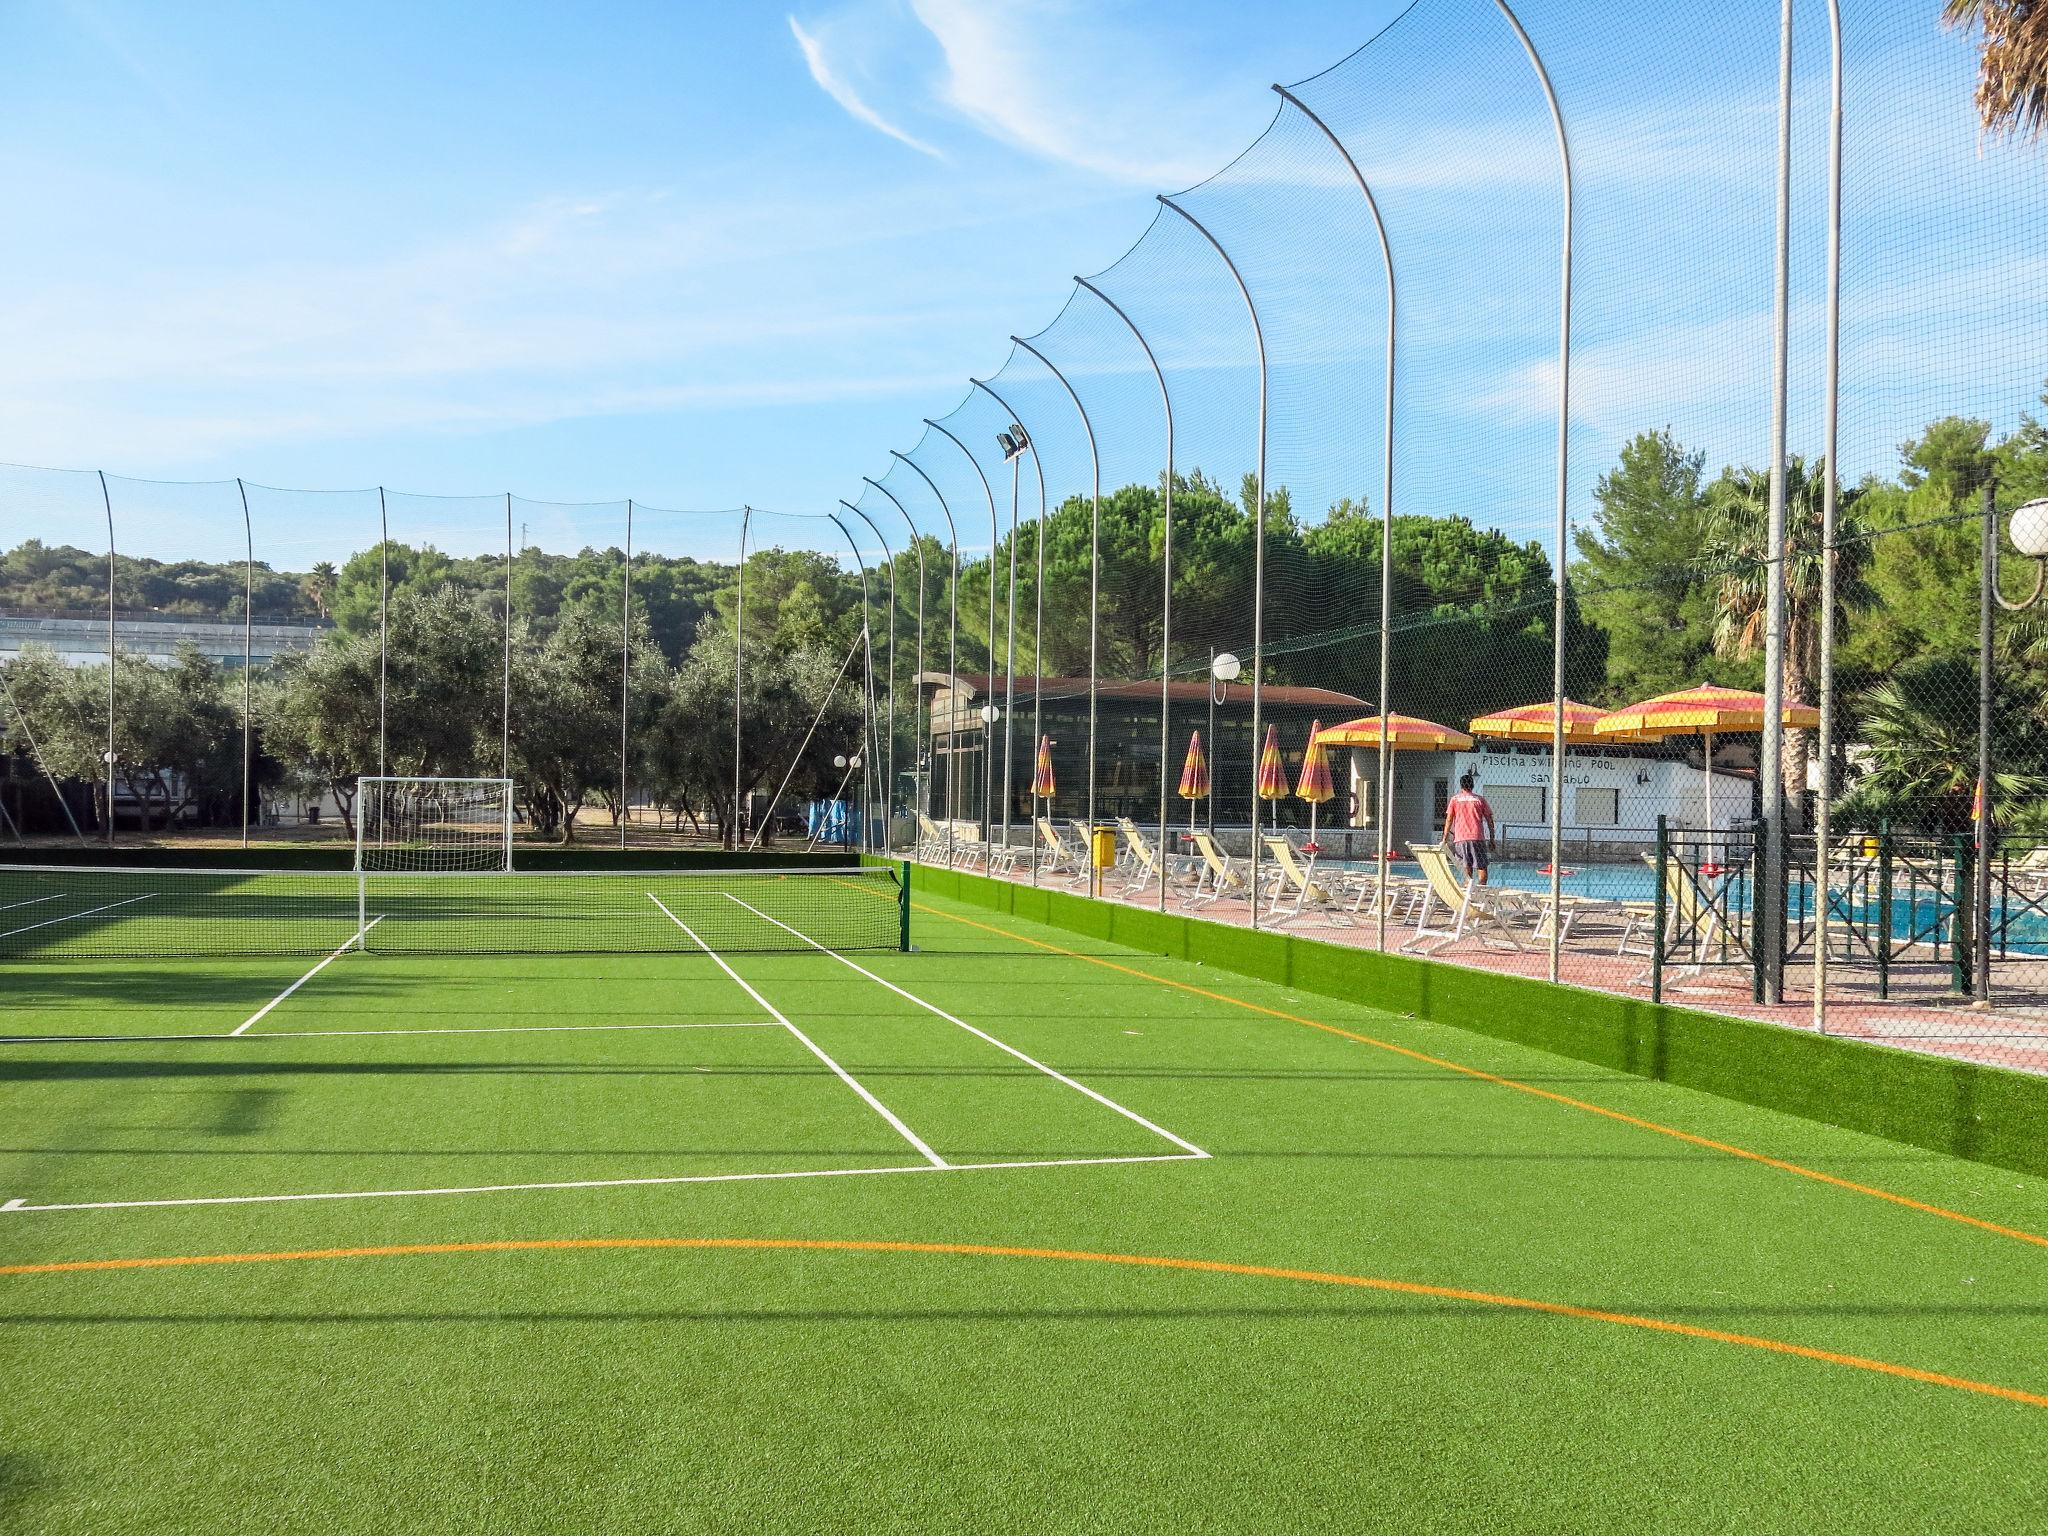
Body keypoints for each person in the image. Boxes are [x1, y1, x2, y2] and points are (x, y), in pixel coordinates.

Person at [1443, 772, 1496, 885]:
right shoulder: (1480, 800)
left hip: (1461, 838)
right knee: (1481, 866)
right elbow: (1490, 821)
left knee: (1466, 866)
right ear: (1472, 785)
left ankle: (1468, 889)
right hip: (1477, 837)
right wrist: (1492, 838)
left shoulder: (1455, 800)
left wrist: (1445, 838)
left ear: (1461, 786)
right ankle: (1482, 889)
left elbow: (1449, 820)